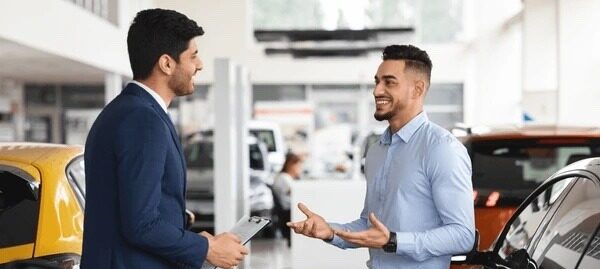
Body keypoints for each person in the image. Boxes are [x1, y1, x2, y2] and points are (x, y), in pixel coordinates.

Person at [81, 9, 248, 269]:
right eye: (193, 56)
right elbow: (141, 224)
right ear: (167, 64)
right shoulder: (142, 120)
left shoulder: (127, 111)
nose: (200, 64)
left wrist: (194, 241)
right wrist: (207, 249)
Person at [287, 45, 475, 269]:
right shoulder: (377, 150)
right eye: (377, 81)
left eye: (389, 82)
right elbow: (370, 226)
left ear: (418, 89)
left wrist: (395, 241)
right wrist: (330, 231)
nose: (377, 91)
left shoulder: (442, 149)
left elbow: (463, 235)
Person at [272, 152, 303, 245]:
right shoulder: (284, 178)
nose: (299, 169)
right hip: (288, 211)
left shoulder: (284, 177)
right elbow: (296, 192)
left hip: (288, 210)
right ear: (291, 164)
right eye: (298, 166)